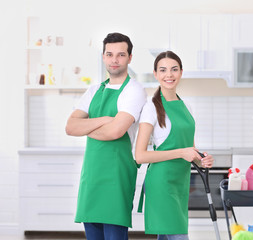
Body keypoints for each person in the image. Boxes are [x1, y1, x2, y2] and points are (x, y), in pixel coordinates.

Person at [65, 32, 147, 240]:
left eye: (120, 54)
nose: (114, 60)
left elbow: (116, 131)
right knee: (92, 234)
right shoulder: (93, 90)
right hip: (91, 175)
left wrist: (86, 127)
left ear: (130, 58)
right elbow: (71, 127)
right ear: (103, 57)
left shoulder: (134, 90)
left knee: (114, 235)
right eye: (109, 54)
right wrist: (104, 119)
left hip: (117, 175)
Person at [135, 51, 214, 240]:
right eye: (163, 70)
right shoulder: (151, 108)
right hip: (161, 183)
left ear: (181, 72)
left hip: (180, 182)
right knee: (178, 237)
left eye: (174, 69)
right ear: (155, 74)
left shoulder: (187, 106)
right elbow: (140, 155)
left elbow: (191, 150)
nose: (168, 75)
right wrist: (181, 152)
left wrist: (202, 160)